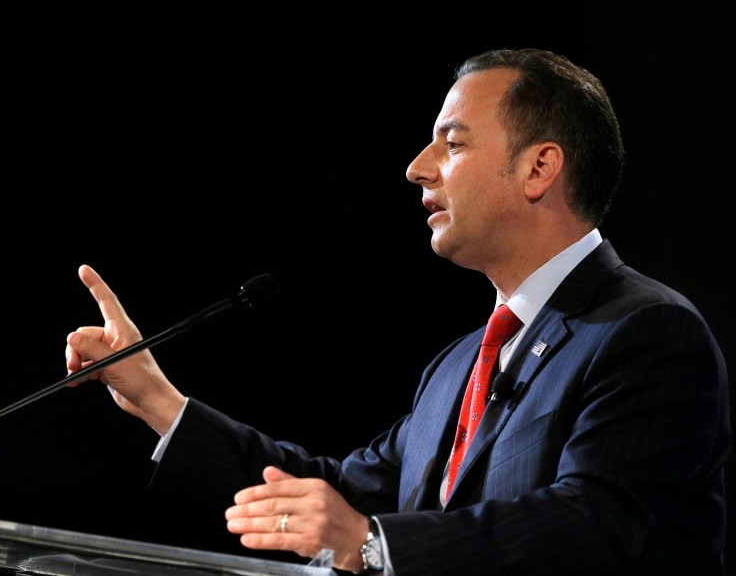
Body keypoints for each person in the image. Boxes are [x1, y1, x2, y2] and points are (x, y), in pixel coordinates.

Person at [64, 48, 731, 574]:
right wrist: (158, 400)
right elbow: (342, 497)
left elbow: (599, 523)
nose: (417, 167)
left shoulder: (646, 332)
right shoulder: (456, 367)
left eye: (454, 144)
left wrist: (373, 546)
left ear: (539, 168)